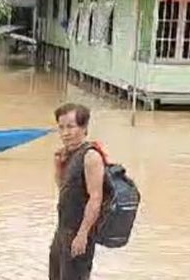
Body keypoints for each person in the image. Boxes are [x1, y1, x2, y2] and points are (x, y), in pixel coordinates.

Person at [49, 103, 106, 280]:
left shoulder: (91, 156)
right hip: (62, 231)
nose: (65, 133)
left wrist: (82, 235)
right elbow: (65, 190)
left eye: (71, 127)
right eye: (61, 127)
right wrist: (59, 167)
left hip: (79, 233)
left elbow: (96, 198)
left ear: (84, 128)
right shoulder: (68, 154)